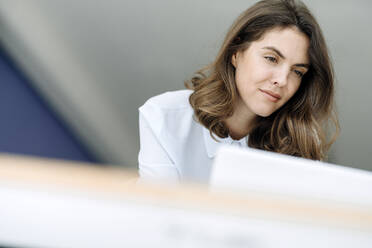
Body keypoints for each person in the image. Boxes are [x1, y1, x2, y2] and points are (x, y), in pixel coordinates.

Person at [138, 0, 339, 183]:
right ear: (236, 52)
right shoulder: (164, 116)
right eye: (271, 58)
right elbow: (160, 216)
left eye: (297, 71)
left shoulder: (300, 148)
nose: (282, 80)